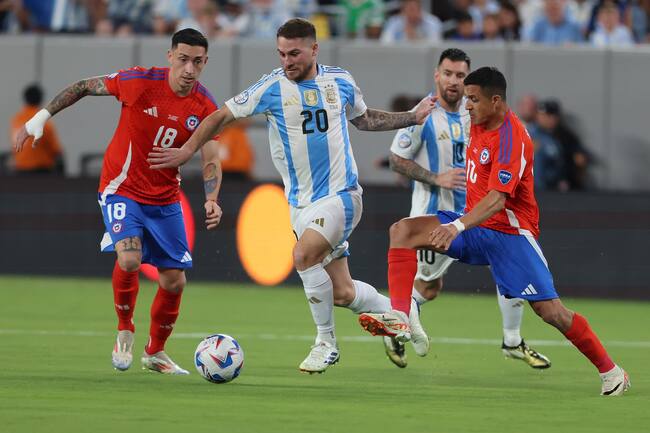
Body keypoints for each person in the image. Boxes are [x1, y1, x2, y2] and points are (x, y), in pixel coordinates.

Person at [147, 18, 436, 374]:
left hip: (342, 195)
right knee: (342, 292)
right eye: (282, 54)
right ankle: (404, 310)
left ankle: (326, 343)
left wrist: (412, 116)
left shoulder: (340, 80)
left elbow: (363, 119)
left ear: (314, 49)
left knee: (302, 254)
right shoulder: (271, 87)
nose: (287, 61)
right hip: (301, 205)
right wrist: (187, 150)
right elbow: (219, 117)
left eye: (295, 53)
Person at [358, 67, 630, 396]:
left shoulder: (513, 139)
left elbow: (498, 199)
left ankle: (611, 371)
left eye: (473, 99)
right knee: (402, 231)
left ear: (496, 101)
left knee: (551, 312)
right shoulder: (476, 120)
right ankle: (400, 317)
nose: (467, 106)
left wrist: (455, 226)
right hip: (473, 224)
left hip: (509, 235)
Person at [13, 29, 224, 375]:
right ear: (170, 56)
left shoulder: (205, 105)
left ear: (205, 63)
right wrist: (41, 118)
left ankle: (155, 352)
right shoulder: (138, 82)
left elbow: (211, 157)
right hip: (121, 188)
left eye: (197, 62)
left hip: (165, 197)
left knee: (175, 281)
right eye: (183, 59)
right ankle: (125, 328)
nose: (189, 69)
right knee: (129, 258)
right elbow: (82, 87)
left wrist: (212, 198)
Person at [384, 48, 551, 369]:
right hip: (436, 214)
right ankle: (398, 325)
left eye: (460, 75)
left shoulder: (476, 112)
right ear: (437, 74)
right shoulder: (424, 114)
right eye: (448, 73)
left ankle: (512, 340)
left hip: (481, 215)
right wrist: (436, 177)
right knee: (429, 287)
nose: (454, 81)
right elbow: (396, 160)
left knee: (509, 268)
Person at [10, 83, 64, 175]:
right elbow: (56, 150)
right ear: (41, 99)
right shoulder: (43, 121)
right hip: (41, 172)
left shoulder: (16, 120)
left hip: (19, 171)